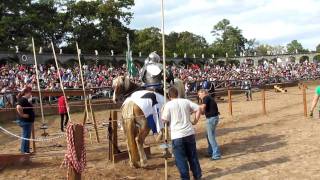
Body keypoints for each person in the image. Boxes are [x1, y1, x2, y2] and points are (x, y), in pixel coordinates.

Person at [162, 87, 202, 180]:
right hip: (189, 133)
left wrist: (162, 112)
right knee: (193, 156)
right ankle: (198, 176)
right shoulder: (185, 101)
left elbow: (164, 120)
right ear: (178, 93)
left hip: (177, 136)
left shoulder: (168, 105)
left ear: (169, 95)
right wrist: (195, 121)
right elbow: (198, 109)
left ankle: (185, 178)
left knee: (181, 160)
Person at [198, 89, 221, 160]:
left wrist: (195, 109)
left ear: (203, 93)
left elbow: (202, 107)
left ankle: (216, 154)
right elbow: (203, 111)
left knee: (210, 137)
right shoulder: (208, 98)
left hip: (211, 119)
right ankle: (211, 152)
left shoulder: (206, 97)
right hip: (213, 118)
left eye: (199, 94)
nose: (199, 96)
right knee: (209, 136)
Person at [16, 87, 35, 154]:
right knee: (25, 136)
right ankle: (24, 151)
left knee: (27, 136)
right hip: (25, 121)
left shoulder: (25, 100)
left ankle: (26, 150)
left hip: (27, 121)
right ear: (26, 93)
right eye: (30, 93)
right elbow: (18, 107)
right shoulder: (23, 100)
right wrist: (22, 115)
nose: (31, 94)